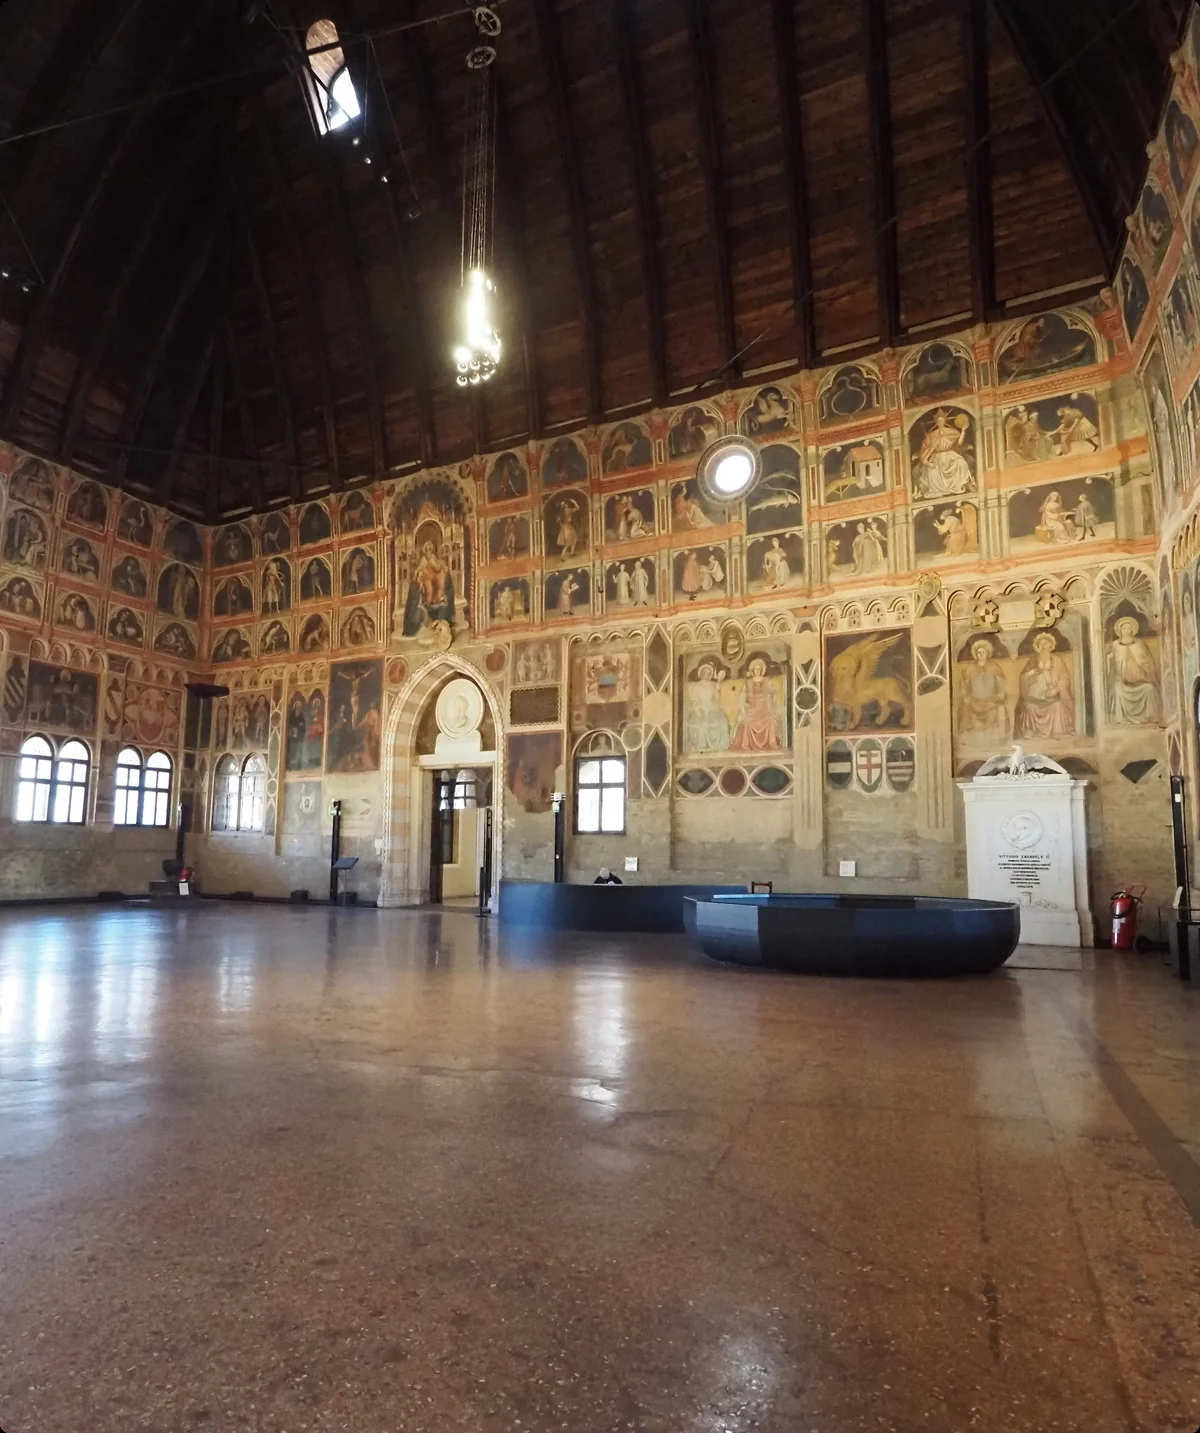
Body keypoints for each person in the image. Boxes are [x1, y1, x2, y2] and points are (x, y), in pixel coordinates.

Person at [1015, 633, 1075, 738]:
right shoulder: (1033, 660)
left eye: (1046, 644)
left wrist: (1056, 689)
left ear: (1051, 646)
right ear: (1038, 647)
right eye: (1041, 644)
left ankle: (1058, 732)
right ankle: (1031, 732)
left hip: (1052, 693)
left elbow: (1065, 677)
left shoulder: (1057, 660)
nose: (1043, 647)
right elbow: (1023, 677)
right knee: (1029, 706)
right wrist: (1029, 675)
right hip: (1036, 695)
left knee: (1058, 706)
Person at [1107, 616, 1161, 724]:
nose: (1127, 631)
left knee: (1149, 689)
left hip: (1141, 680)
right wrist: (1109, 659)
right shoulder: (1115, 645)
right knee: (1118, 690)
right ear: (1119, 630)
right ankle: (1121, 719)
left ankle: (1150, 717)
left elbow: (1148, 660)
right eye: (1124, 628)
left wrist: (1142, 666)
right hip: (1122, 681)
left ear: (1133, 630)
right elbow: (1112, 664)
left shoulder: (1139, 643)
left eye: (1129, 628)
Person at [914, 408, 974, 497]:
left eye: (942, 420)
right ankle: (936, 490)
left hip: (950, 456)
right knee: (931, 471)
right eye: (938, 421)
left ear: (945, 420)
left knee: (960, 462)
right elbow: (925, 450)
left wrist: (963, 432)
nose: (940, 423)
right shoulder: (931, 435)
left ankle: (961, 485)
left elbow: (959, 444)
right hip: (936, 457)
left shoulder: (951, 431)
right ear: (936, 422)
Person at [958, 639, 1009, 735]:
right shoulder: (971, 668)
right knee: (964, 710)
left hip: (991, 700)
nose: (981, 654)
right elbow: (966, 685)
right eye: (978, 653)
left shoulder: (994, 666)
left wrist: (1001, 692)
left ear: (987, 653)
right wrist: (966, 696)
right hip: (975, 700)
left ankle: (995, 732)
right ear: (976, 655)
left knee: (997, 710)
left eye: (983, 652)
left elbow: (1001, 682)